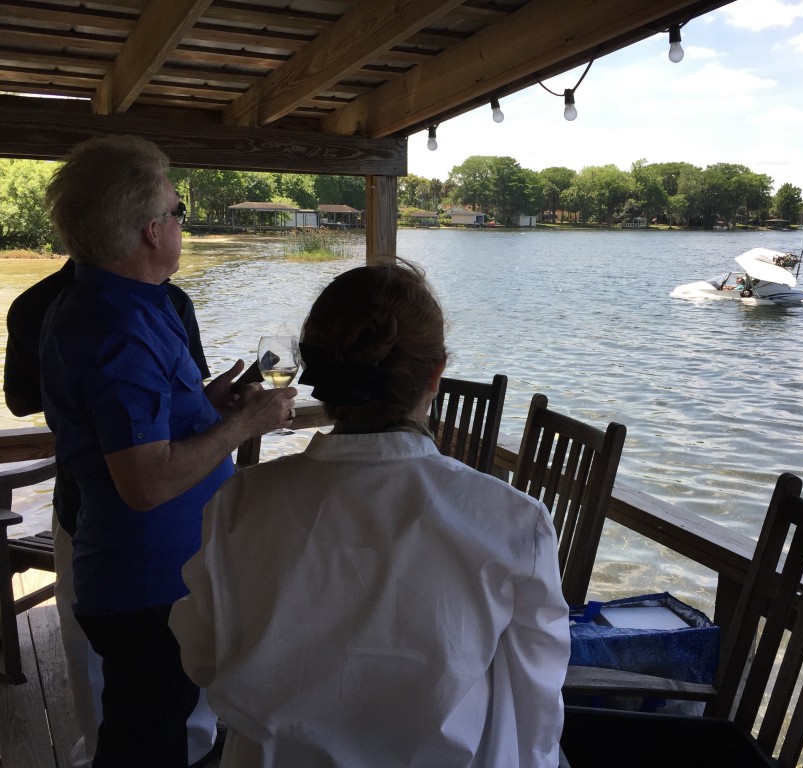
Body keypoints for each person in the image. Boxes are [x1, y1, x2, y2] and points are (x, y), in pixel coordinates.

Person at [170, 261, 570, 767]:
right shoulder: (512, 523)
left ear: (321, 375)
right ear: (436, 374)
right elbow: (533, 710)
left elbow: (202, 655)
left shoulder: (239, 504)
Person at [38, 134, 296, 768]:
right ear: (152, 231)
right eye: (178, 211)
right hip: (146, 586)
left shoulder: (131, 309)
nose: (184, 222)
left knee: (154, 730)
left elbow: (141, 426)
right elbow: (145, 483)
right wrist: (247, 425)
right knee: (144, 744)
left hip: (157, 575)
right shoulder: (116, 329)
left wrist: (209, 404)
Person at [3, 259, 222, 768]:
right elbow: (23, 401)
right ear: (142, 227)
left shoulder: (166, 301)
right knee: (125, 676)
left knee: (130, 671)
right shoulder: (143, 304)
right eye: (174, 214)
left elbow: (184, 402)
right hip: (109, 519)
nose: (178, 227)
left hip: (137, 513)